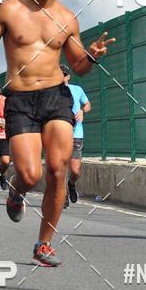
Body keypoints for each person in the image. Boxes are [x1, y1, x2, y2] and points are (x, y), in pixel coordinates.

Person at [0, 0, 115, 267]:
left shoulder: (67, 18)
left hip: (55, 97)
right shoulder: (8, 10)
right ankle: (16, 191)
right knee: (29, 171)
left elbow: (78, 66)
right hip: (20, 100)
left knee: (56, 170)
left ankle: (44, 243)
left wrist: (91, 54)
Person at [60, 65, 90, 209]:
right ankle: (63, 197)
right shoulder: (51, 92)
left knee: (75, 171)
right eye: (59, 74)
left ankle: (71, 184)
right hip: (59, 135)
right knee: (61, 167)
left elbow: (88, 104)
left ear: (68, 76)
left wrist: (83, 111)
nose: (61, 77)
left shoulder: (77, 89)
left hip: (76, 134)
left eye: (64, 74)